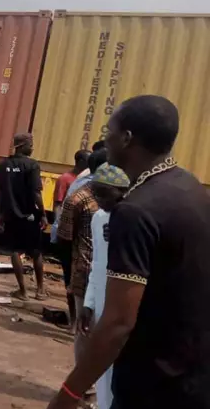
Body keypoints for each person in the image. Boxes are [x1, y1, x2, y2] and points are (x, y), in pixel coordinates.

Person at [48, 95, 210, 409]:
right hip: (194, 376)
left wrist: (68, 395)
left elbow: (119, 323)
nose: (105, 139)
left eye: (110, 130)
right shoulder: (190, 187)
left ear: (126, 138)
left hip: (154, 385)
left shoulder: (136, 211)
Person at [77, 164, 130, 409]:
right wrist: (88, 303)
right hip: (101, 302)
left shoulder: (136, 219)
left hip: (125, 307)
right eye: (95, 193)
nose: (98, 200)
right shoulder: (98, 218)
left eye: (104, 194)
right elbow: (97, 262)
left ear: (122, 192)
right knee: (103, 366)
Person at [57, 157, 102, 357]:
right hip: (85, 271)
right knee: (86, 330)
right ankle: (84, 384)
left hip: (101, 272)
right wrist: (71, 275)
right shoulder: (78, 198)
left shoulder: (121, 198)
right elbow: (64, 239)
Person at [0, 133, 47, 301]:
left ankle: (22, 291)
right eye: (30, 144)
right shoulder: (32, 165)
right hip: (31, 214)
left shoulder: (2, 165)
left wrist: (1, 214)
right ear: (22, 145)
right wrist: (43, 214)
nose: (32, 147)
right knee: (36, 252)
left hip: (11, 215)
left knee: (16, 251)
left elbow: (0, 193)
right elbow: (36, 192)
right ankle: (40, 290)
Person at [53, 150, 90, 218]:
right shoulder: (64, 178)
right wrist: (58, 223)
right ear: (81, 162)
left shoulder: (87, 178)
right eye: (89, 161)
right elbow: (58, 204)